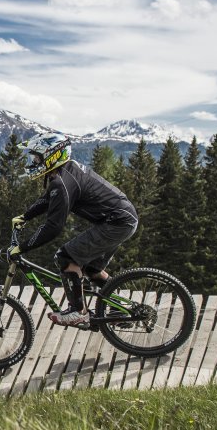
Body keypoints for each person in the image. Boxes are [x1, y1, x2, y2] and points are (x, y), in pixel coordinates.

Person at [10, 133, 139, 328]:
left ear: (52, 155)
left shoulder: (62, 182)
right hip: (122, 220)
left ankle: (78, 312)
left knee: (65, 257)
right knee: (91, 269)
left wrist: (22, 247)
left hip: (117, 222)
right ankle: (120, 310)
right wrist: (25, 216)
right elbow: (47, 199)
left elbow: (53, 226)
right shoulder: (65, 172)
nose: (34, 162)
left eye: (37, 158)